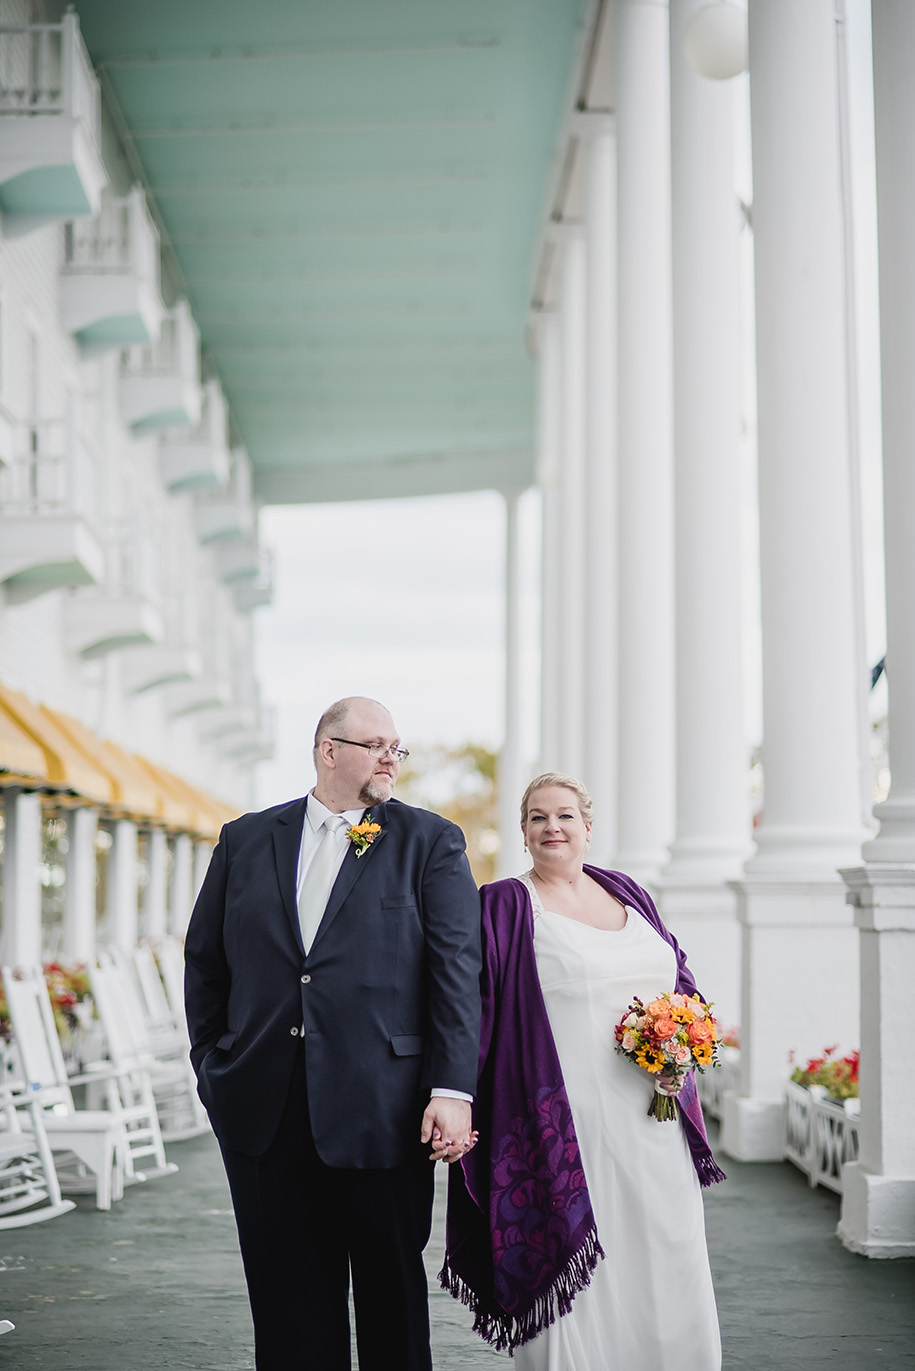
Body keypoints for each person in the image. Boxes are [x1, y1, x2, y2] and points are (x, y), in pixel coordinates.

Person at [185, 696, 482, 1371]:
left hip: (385, 1105)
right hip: (264, 1106)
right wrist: (214, 1064)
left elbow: (457, 973)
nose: (391, 758)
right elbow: (206, 961)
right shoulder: (245, 838)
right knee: (286, 1305)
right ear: (328, 749)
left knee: (390, 1300)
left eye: (397, 747)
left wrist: (452, 1086)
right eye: (375, 744)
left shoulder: (430, 840)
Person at [440, 772, 724, 1370]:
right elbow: (473, 1007)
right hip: (565, 1131)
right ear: (522, 832)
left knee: (666, 1252)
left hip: (653, 1121)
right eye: (537, 817)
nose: (552, 827)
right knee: (581, 1269)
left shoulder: (628, 891)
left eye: (565, 816)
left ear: (588, 828)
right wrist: (456, 1096)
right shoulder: (506, 904)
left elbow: (682, 982)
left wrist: (684, 1052)